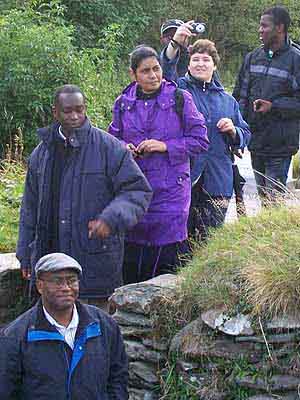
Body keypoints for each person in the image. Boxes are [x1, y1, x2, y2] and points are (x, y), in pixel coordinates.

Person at [17, 84, 152, 310]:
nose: (75, 116)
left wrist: (110, 218)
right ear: (55, 112)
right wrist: (25, 254)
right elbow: (29, 207)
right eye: (68, 111)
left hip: (94, 266)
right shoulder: (41, 153)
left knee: (95, 336)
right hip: (50, 265)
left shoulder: (109, 148)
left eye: (80, 110)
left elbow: (138, 191)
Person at [108, 45, 208, 283]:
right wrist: (124, 148)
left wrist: (165, 146)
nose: (153, 75)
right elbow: (111, 140)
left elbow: (200, 141)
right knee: (132, 262)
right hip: (133, 191)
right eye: (145, 71)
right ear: (133, 74)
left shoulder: (180, 98)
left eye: (156, 69)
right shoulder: (123, 103)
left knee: (167, 262)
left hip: (171, 194)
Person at [161, 29, 251, 240]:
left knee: (209, 241)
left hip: (219, 180)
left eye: (206, 59)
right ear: (189, 64)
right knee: (182, 240)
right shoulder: (178, 89)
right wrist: (175, 44)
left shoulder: (228, 101)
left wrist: (234, 130)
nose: (200, 64)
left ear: (215, 65)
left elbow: (246, 133)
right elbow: (166, 69)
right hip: (185, 179)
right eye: (195, 59)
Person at [0, 252, 128, 399]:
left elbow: (118, 377)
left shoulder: (104, 326)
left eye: (71, 280)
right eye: (57, 281)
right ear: (40, 286)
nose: (66, 287)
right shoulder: (15, 336)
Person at [233, 6, 300, 200]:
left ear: (279, 28)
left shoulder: (296, 60)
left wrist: (274, 106)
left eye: (264, 26)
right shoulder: (253, 57)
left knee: (273, 201)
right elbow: (240, 97)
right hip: (256, 142)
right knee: (264, 200)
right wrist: (238, 136)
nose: (259, 30)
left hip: (280, 145)